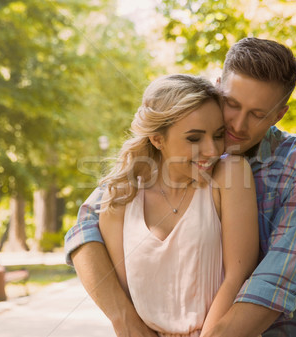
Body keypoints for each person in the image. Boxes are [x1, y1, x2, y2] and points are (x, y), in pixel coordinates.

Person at [65, 37, 296, 336]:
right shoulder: (177, 138)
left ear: (279, 115)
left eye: (258, 115)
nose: (238, 126)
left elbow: (276, 279)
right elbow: (86, 226)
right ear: (218, 87)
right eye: (231, 104)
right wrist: (124, 319)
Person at [84, 74, 259, 337]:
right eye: (194, 138)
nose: (212, 150)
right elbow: (127, 299)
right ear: (157, 139)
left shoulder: (231, 175)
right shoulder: (120, 199)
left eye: (218, 135)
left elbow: (238, 277)